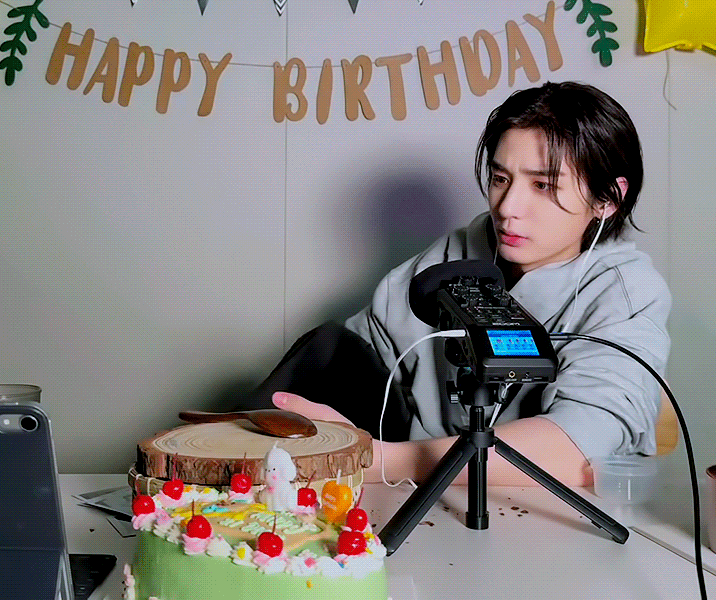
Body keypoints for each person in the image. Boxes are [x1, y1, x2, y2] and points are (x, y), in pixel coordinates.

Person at [245, 81, 671, 488]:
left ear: (607, 199)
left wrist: (375, 459)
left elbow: (578, 452)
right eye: (501, 179)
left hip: (519, 494)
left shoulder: (626, 292)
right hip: (402, 463)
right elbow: (360, 350)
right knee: (327, 346)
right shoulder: (464, 248)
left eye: (543, 185)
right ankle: (229, 466)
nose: (507, 207)